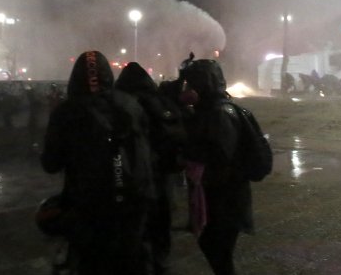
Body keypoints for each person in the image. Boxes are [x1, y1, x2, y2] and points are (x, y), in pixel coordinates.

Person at [42, 51, 155, 275]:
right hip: (134, 201)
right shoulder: (130, 104)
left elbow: (51, 163)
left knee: (92, 263)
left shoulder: (67, 111)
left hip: (89, 205)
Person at [180, 59, 253, 275]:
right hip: (222, 196)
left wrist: (187, 152)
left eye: (192, 84)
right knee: (215, 249)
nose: (188, 88)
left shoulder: (219, 113)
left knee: (217, 250)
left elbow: (219, 155)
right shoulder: (209, 110)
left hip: (225, 197)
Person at [115, 62, 186, 275]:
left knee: (136, 237)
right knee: (161, 233)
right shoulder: (161, 103)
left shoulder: (122, 106)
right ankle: (161, 265)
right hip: (163, 181)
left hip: (134, 182)